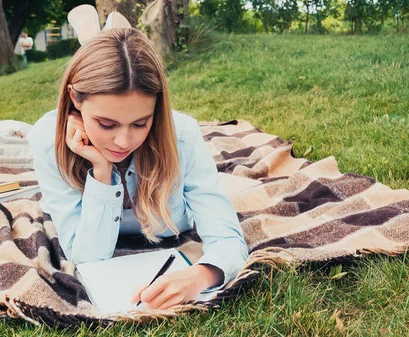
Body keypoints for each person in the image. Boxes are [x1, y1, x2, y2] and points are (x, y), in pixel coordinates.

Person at [26, 27, 248, 311]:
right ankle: (94, 30)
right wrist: (102, 170)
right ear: (74, 98)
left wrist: (202, 275)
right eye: (106, 124)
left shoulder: (183, 135)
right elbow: (86, 256)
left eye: (141, 123)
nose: (123, 142)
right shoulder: (47, 142)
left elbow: (228, 238)